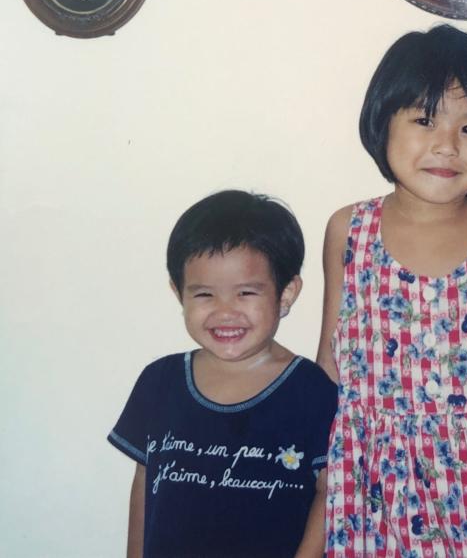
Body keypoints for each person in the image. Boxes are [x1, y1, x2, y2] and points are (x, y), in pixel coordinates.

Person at [317, 25, 467, 556]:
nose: (446, 145)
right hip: (372, 487)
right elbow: (332, 361)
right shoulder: (349, 229)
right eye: (424, 120)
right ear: (383, 123)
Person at [109, 190, 338, 557]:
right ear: (178, 293)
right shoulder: (159, 381)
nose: (225, 311)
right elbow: (144, 481)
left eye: (246, 292)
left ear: (286, 294)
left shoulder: (312, 390)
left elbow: (331, 492)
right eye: (204, 295)